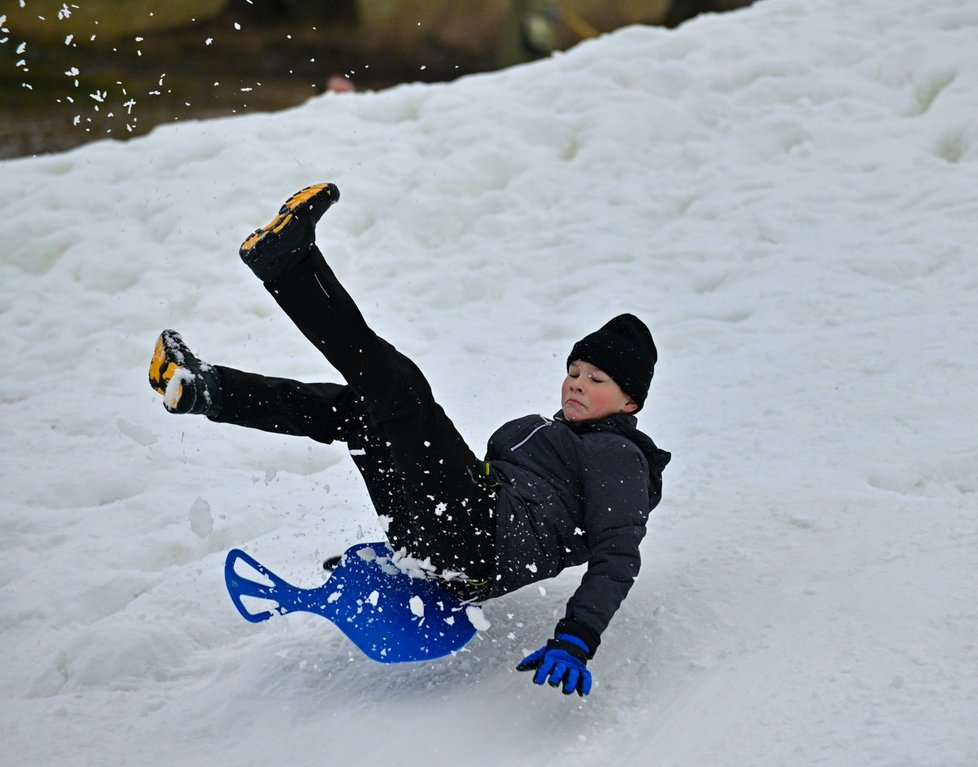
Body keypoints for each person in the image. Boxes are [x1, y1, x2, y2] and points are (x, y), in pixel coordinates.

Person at [148, 183, 670, 697]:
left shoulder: (618, 455)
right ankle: (205, 390)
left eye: (597, 380)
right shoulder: (554, 434)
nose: (577, 383)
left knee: (400, 392)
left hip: (478, 535)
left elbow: (618, 555)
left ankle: (288, 265)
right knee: (362, 411)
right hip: (437, 538)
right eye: (574, 371)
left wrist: (577, 638)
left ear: (631, 403)